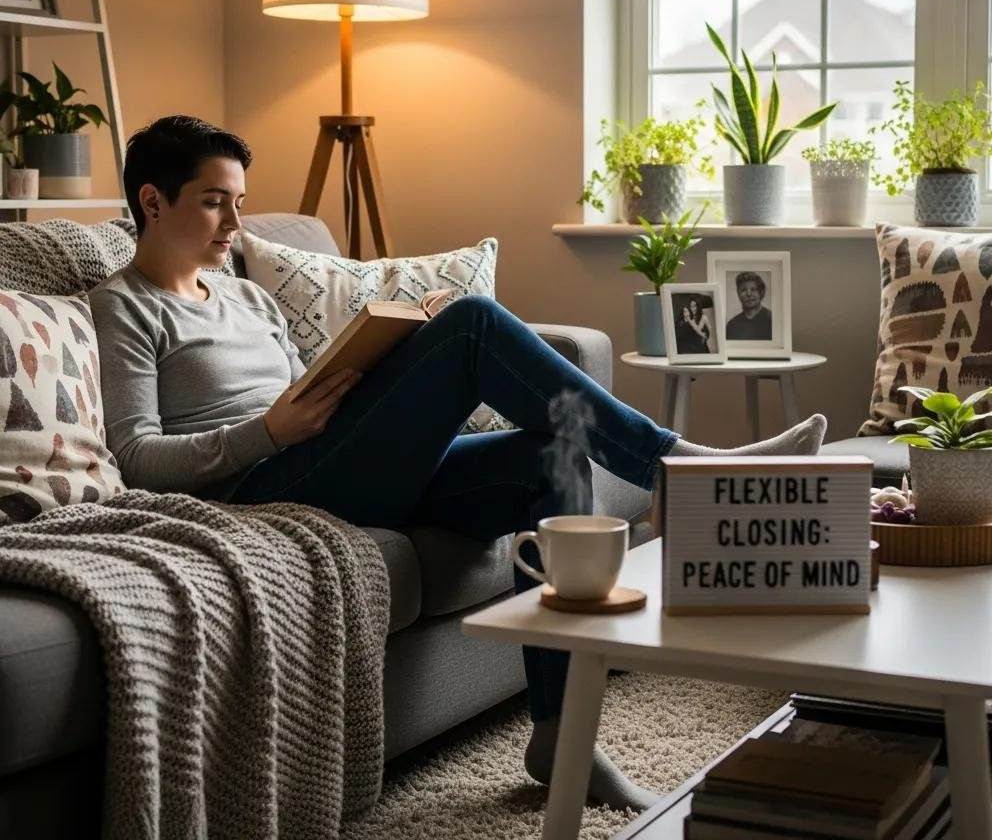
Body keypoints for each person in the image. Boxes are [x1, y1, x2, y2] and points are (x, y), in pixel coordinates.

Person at [89, 115, 828, 813]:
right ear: (153, 202)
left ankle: (559, 731)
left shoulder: (249, 297)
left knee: (554, 452)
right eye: (215, 203)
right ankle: (676, 463)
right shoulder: (125, 307)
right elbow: (137, 458)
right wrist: (268, 433)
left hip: (325, 460)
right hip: (260, 490)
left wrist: (389, 351)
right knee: (474, 327)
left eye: (240, 202)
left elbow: (315, 394)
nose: (236, 224)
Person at [726, 271, 772, 341]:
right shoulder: (731, 325)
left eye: (753, 289)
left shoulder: (772, 320)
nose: (748, 294)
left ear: (761, 293)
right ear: (738, 294)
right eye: (743, 290)